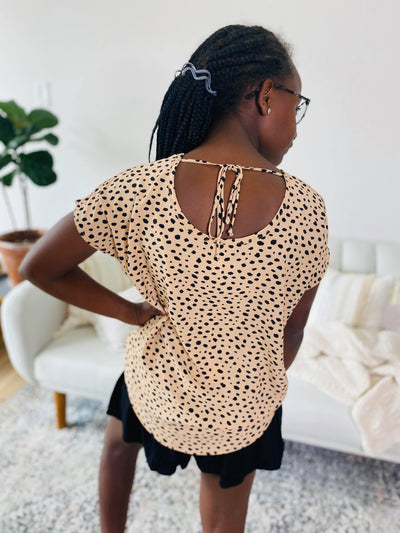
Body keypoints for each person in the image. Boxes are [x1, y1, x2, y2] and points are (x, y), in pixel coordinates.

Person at [19, 23, 330, 533]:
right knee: (224, 515)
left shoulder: (138, 187)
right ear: (266, 96)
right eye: (297, 107)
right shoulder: (308, 209)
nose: (296, 129)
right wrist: (243, 379)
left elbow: (37, 266)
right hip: (242, 408)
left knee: (117, 443)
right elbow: (291, 333)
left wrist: (129, 312)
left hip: (158, 385)